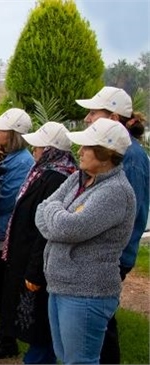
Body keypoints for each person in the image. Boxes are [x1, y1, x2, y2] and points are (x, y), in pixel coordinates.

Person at [36, 118, 136, 364]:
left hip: (86, 292)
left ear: (105, 153)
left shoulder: (114, 192)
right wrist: (57, 215)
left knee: (80, 361)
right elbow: (40, 211)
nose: (79, 151)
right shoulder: (79, 177)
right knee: (65, 357)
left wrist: (55, 214)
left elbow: (69, 228)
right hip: (61, 285)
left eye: (87, 147)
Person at [75, 86, 150, 364]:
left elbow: (131, 216)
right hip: (101, 254)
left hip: (110, 256)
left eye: (94, 112)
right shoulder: (120, 154)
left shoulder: (131, 158)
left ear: (115, 119)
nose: (87, 118)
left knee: (99, 320)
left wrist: (111, 257)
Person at [2, 122, 77, 364]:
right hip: (27, 258)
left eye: (38, 146)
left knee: (41, 324)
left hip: (39, 263)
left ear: (50, 149)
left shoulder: (55, 177)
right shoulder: (44, 172)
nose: (34, 150)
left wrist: (34, 270)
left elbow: (45, 229)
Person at [0, 108, 34, 359]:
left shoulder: (22, 162)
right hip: (0, 232)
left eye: (1, 130)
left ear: (13, 134)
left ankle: (7, 339)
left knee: (6, 289)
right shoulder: (8, 158)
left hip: (7, 235)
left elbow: (6, 199)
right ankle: (3, 335)